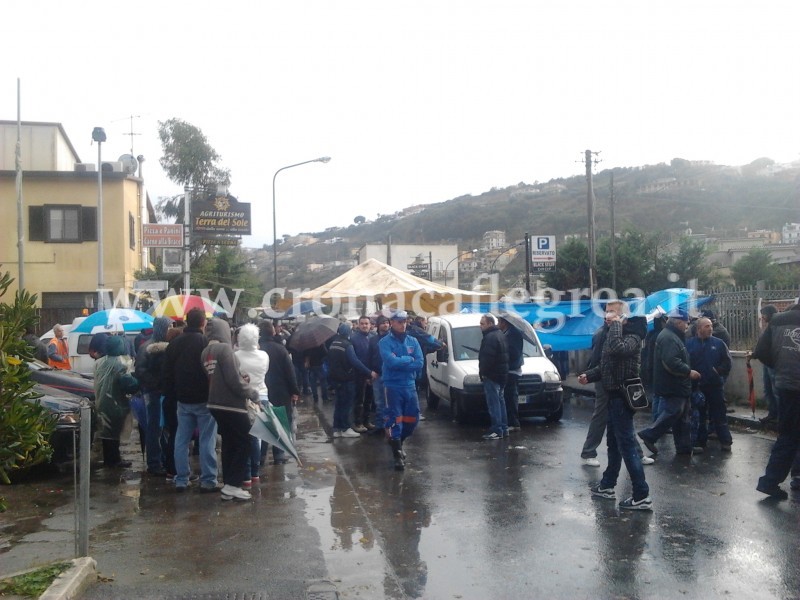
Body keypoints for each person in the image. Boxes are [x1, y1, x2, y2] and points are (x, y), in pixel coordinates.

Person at [579, 303, 651, 510]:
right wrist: (589, 375)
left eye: (612, 313)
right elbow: (607, 364)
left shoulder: (632, 335)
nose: (607, 316)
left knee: (627, 445)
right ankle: (607, 485)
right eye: (607, 312)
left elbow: (618, 350)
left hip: (622, 396)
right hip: (612, 395)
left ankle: (641, 494)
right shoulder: (615, 333)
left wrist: (616, 326)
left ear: (623, 317)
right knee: (613, 443)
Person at [162, 308, 220, 493]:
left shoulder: (175, 343)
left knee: (181, 439)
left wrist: (173, 393)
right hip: (204, 400)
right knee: (206, 440)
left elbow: (167, 372)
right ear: (203, 323)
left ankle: (181, 479)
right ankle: (208, 480)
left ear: (187, 321)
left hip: (182, 400)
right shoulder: (206, 343)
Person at [202, 318, 260, 502]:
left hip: (214, 403)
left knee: (229, 444)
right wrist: (252, 392)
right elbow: (234, 381)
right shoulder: (225, 350)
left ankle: (228, 484)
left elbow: (218, 377)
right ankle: (234, 485)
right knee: (245, 442)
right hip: (231, 405)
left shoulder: (205, 352)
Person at [751, 303, 800, 499]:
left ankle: (770, 481)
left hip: (786, 385)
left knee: (788, 435)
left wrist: (780, 367)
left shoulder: (778, 320)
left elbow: (761, 352)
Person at [637, 309, 701, 457]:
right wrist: (688, 372)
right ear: (679, 322)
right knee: (673, 413)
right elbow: (671, 361)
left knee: (682, 417)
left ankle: (684, 447)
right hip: (673, 383)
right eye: (686, 322)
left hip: (676, 383)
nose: (688, 325)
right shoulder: (669, 338)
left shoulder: (673, 336)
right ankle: (650, 435)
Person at [379, 310, 424, 470]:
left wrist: (402, 361)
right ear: (392, 323)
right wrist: (408, 359)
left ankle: (398, 442)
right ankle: (397, 454)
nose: (403, 324)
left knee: (412, 419)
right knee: (394, 419)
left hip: (409, 385)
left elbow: (419, 363)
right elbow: (391, 362)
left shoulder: (413, 341)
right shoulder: (385, 342)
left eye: (405, 321)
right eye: (399, 321)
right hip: (392, 386)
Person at [686, 316, 733, 452]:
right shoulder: (689, 344)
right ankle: (700, 442)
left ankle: (726, 441)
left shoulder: (718, 343)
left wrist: (718, 371)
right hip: (697, 385)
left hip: (714, 385)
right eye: (707, 326)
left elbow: (727, 362)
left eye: (711, 326)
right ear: (699, 328)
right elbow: (685, 362)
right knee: (699, 415)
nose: (710, 328)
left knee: (719, 413)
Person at [134, 317, 172, 476]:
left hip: (160, 393)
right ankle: (154, 463)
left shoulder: (165, 346)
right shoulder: (147, 347)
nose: (171, 328)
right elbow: (140, 371)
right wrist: (158, 384)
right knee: (154, 428)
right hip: (153, 393)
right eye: (169, 326)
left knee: (162, 429)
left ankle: (161, 459)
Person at [94, 335, 137, 468]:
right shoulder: (121, 364)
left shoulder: (99, 362)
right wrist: (137, 383)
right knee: (114, 432)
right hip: (116, 401)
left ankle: (109, 459)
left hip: (101, 402)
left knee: (106, 432)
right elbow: (128, 383)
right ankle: (115, 460)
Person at [260, 321, 300, 464]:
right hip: (280, 392)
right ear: (273, 332)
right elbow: (290, 372)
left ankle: (261, 456)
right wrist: (294, 390)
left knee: (263, 423)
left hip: (261, 393)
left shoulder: (257, 349)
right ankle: (279, 455)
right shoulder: (280, 349)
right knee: (281, 424)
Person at [328, 321, 376, 438]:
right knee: (347, 404)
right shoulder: (347, 345)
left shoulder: (333, 343)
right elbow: (355, 362)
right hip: (347, 379)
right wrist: (369, 372)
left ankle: (337, 429)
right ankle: (345, 428)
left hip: (335, 378)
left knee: (339, 404)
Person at [235, 323, 269, 484]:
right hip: (262, 396)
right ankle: (255, 472)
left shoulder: (236, 356)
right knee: (258, 436)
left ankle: (246, 473)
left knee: (245, 436)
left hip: (243, 399)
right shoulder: (264, 356)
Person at [478, 313, 508, 440]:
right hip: (501, 374)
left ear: (490, 323)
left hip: (492, 375)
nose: (480, 326)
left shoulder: (490, 337)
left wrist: (483, 373)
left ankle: (497, 429)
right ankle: (504, 428)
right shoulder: (500, 334)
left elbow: (487, 359)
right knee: (500, 402)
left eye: (482, 323)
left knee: (494, 403)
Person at [497, 315, 523, 432]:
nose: (498, 324)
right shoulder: (507, 333)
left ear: (504, 323)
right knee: (507, 396)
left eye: (499, 322)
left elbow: (514, 353)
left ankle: (514, 422)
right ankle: (510, 421)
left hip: (512, 370)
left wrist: (502, 352)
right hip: (508, 369)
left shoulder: (513, 334)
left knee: (511, 397)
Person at [350, 315, 376, 433]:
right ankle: (358, 422)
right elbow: (355, 359)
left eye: (367, 323)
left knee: (369, 400)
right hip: (359, 374)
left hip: (372, 374)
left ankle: (367, 421)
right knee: (359, 400)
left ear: (370, 325)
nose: (365, 326)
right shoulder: (354, 339)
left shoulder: (373, 337)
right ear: (358, 325)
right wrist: (367, 373)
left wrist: (372, 373)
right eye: (362, 323)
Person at [368, 315, 391, 432]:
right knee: (379, 402)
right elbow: (369, 357)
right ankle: (379, 426)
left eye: (387, 322)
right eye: (383, 323)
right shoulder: (373, 340)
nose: (385, 325)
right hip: (377, 375)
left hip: (391, 376)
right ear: (378, 325)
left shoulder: (393, 339)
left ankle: (390, 426)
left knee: (391, 402)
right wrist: (370, 374)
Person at [758, 304, 780, 425]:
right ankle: (772, 413)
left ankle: (780, 416)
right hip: (766, 362)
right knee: (768, 389)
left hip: (773, 363)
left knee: (775, 390)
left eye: (764, 315)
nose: (762, 317)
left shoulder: (776, 327)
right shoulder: (768, 327)